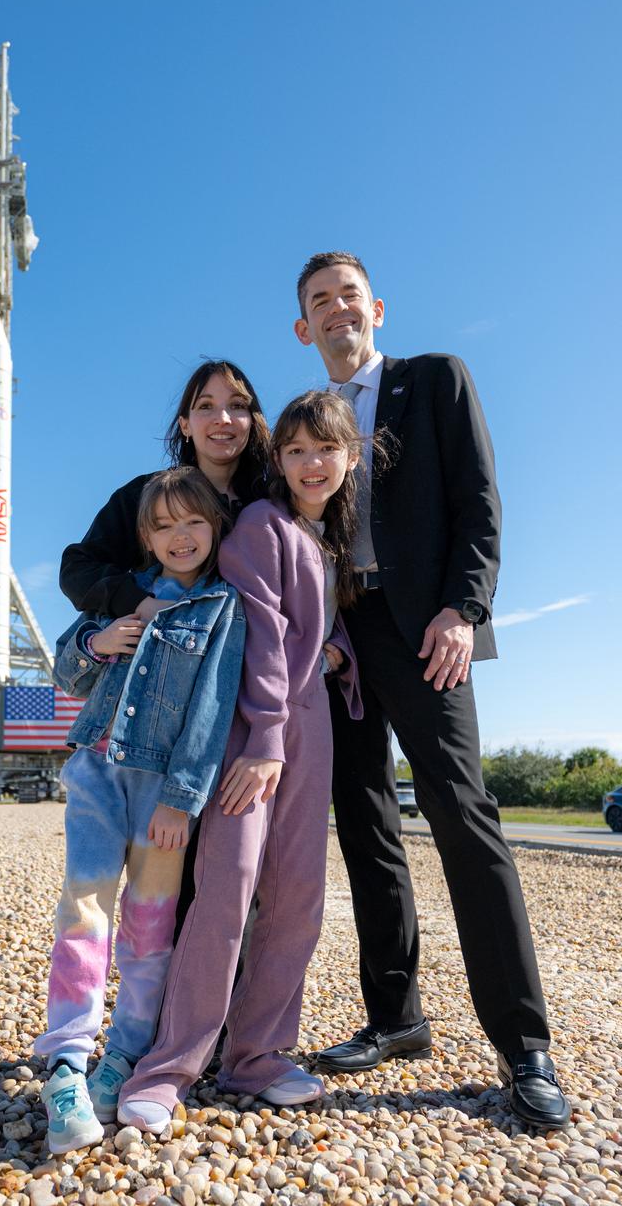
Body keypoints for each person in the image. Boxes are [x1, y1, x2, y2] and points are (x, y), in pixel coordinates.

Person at [294, 251, 572, 1130]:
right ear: (304, 328)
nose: (337, 309)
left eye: (348, 294)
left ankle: (525, 1047)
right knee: (365, 822)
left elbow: (480, 504)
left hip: (428, 631)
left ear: (374, 307)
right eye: (318, 302)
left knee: (460, 810)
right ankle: (395, 1015)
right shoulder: (310, 425)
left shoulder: (435, 380)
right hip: (346, 639)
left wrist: (463, 608)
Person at [115, 390, 366, 1134]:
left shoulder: (322, 539)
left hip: (311, 734)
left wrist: (337, 652)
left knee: (298, 901)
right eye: (294, 450)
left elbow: (324, 633)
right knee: (226, 893)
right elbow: (257, 638)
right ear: (276, 458)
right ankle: (168, 1067)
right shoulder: (259, 524)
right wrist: (262, 739)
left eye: (325, 449)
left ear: (351, 458)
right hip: (253, 734)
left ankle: (256, 1053)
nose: (310, 463)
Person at [34, 467, 247, 1154]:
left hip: (162, 790)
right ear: (146, 536)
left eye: (193, 522)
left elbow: (212, 712)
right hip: (96, 769)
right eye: (163, 525)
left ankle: (123, 1054)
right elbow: (65, 670)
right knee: (84, 908)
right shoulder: (125, 595)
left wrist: (184, 800)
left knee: (150, 928)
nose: (179, 536)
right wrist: (100, 641)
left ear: (213, 529)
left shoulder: (221, 607)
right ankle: (66, 1062)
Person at [59, 360, 271, 621]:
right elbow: (76, 569)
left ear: (252, 420)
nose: (222, 419)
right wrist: (137, 604)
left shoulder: (272, 502)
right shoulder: (146, 496)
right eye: (206, 406)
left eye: (237, 406)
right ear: (185, 425)